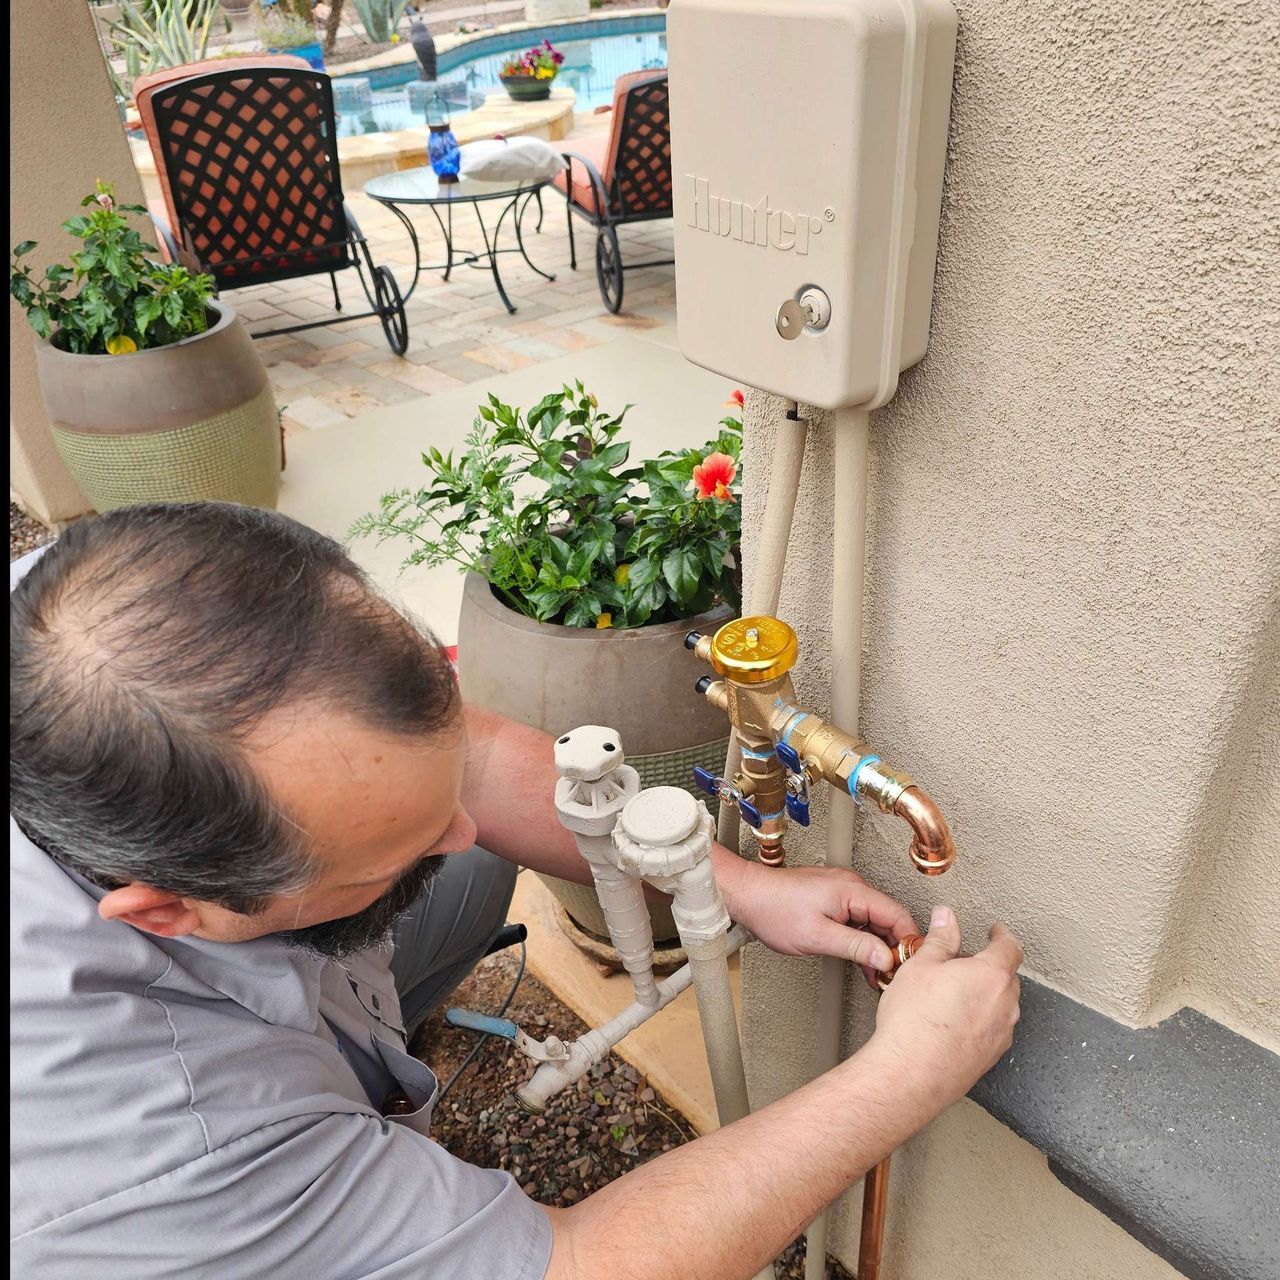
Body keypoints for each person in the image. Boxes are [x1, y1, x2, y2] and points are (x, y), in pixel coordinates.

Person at [10, 503, 1022, 1279]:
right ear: (167, 908)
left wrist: (734, 884)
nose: (461, 831)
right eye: (378, 857)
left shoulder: (104, 621)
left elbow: (478, 762)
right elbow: (580, 1267)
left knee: (460, 851)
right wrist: (904, 1075)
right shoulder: (175, 1150)